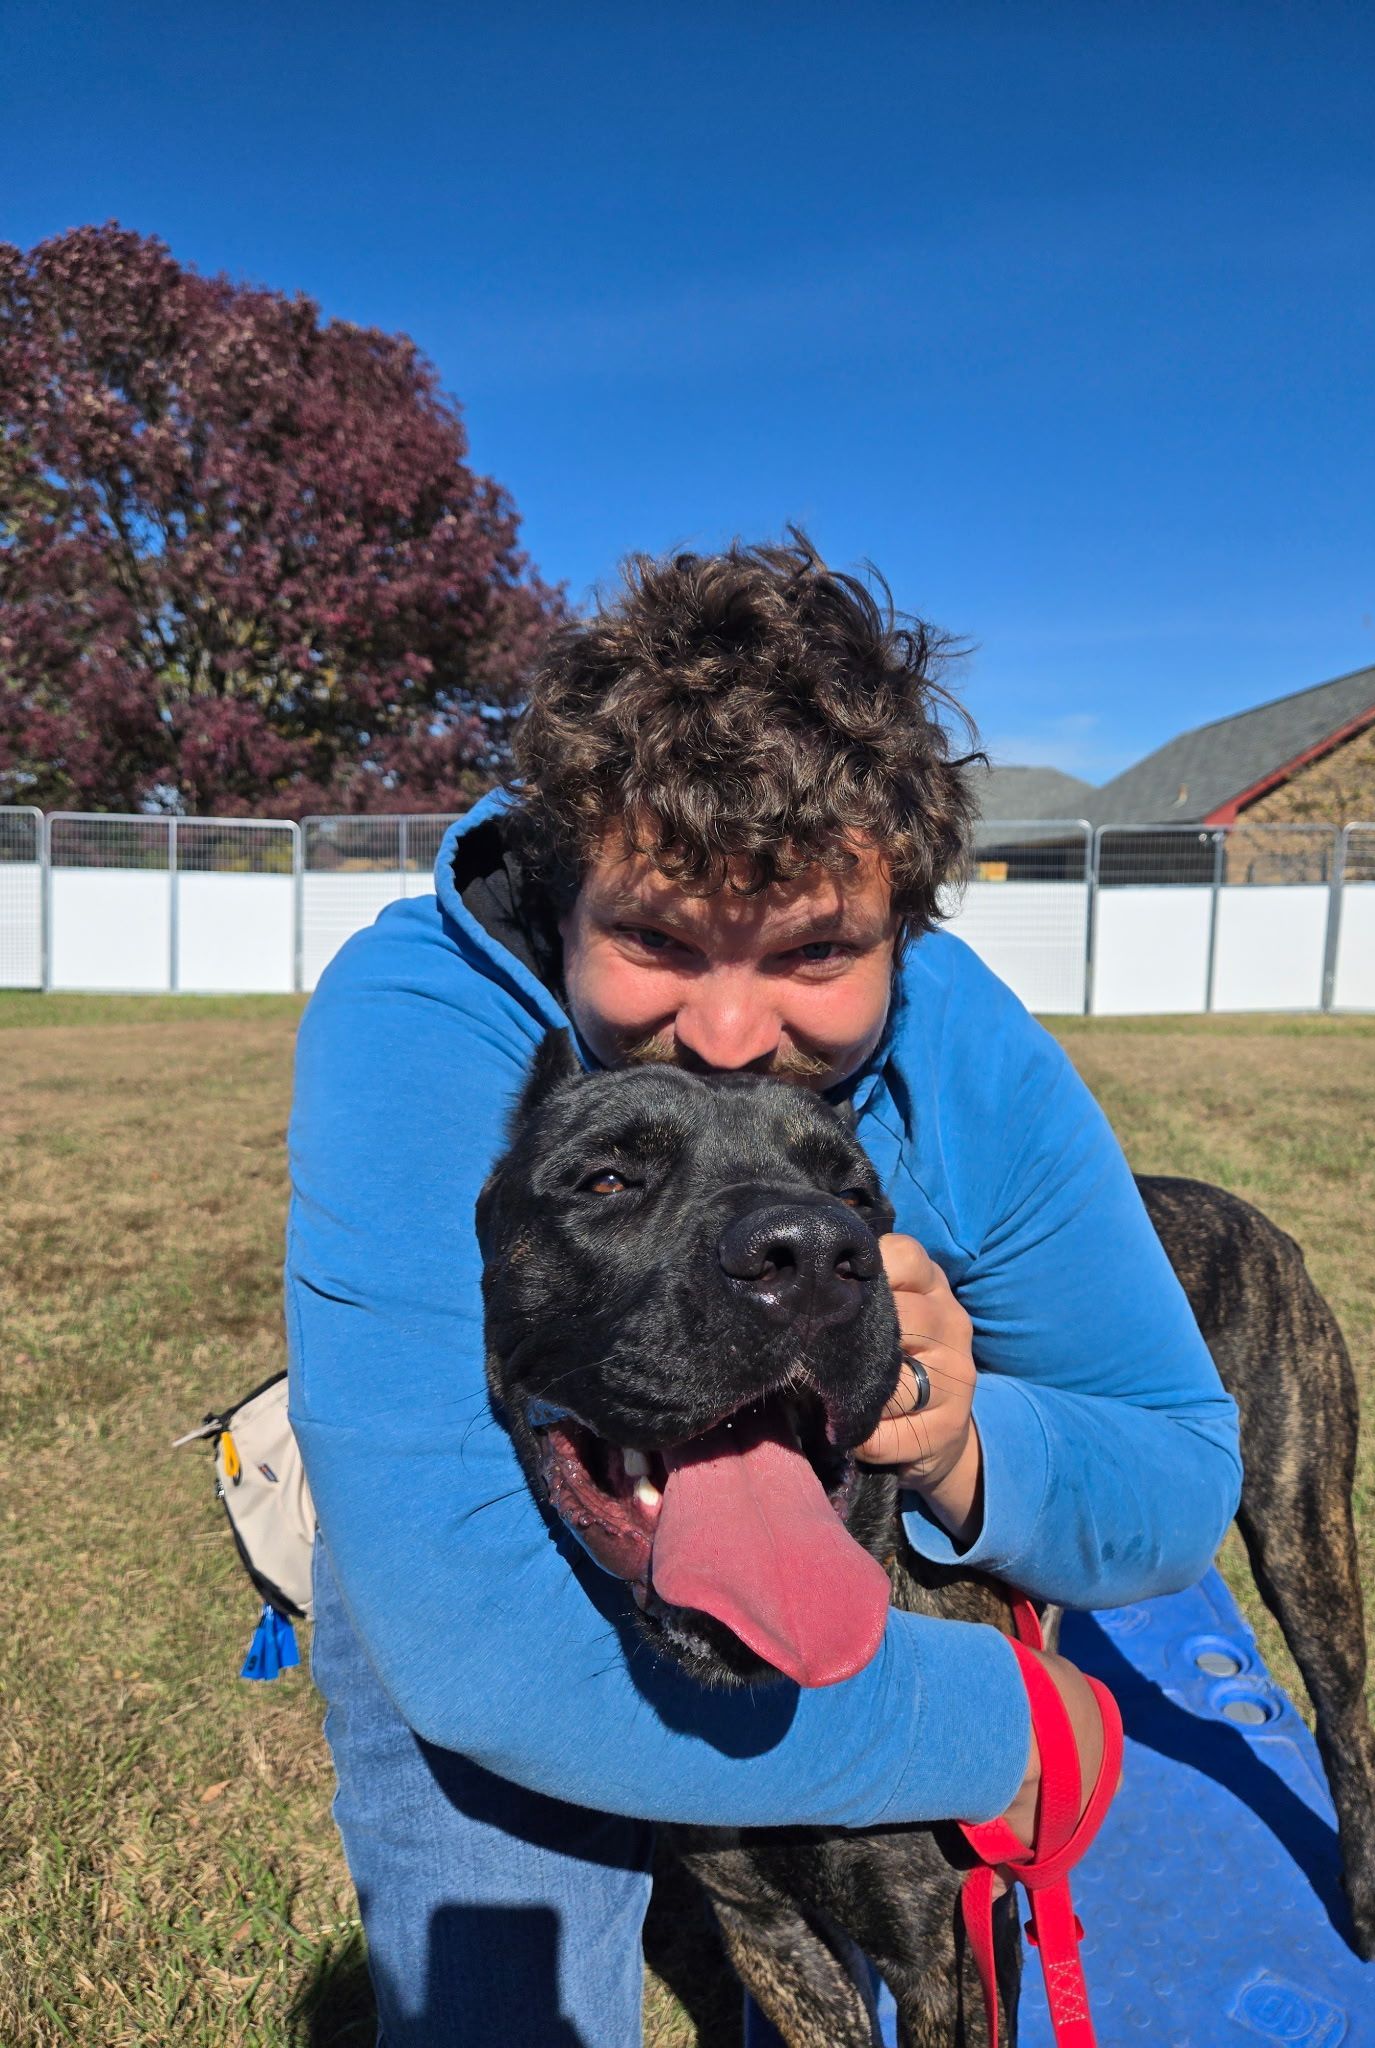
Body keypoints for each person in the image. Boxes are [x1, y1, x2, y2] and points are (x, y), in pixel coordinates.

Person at [287, 535, 1241, 2047]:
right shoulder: (426, 1013)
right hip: (479, 1506)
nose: (729, 1031)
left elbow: (1181, 1465)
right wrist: (1012, 1726)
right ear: (560, 895)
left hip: (795, 1490)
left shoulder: (964, 1048)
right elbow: (484, 1649)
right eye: (659, 937)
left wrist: (959, 1445)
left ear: (906, 938)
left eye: (814, 953)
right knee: (495, 1974)